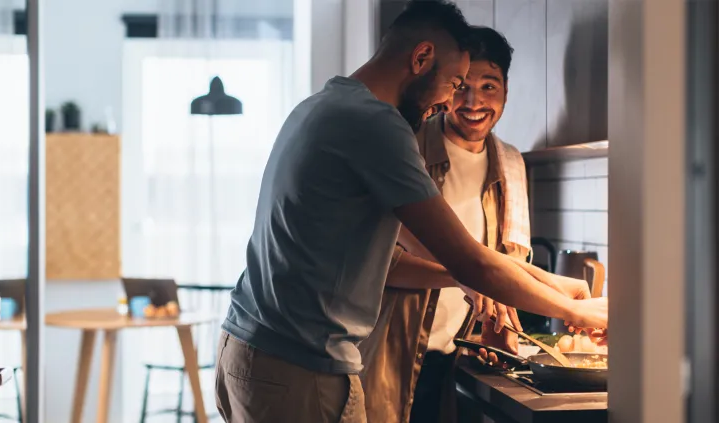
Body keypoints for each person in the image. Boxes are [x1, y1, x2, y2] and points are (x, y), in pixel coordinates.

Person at [214, 2, 608, 422]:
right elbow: (468, 260)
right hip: (301, 368)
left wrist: (553, 283)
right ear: (420, 58)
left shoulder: (323, 106)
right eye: (455, 82)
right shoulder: (376, 125)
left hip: (250, 352)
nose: (448, 101)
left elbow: (417, 259)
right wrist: (576, 312)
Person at [357, 26, 595, 423]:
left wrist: (505, 314)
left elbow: (504, 261)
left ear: (505, 90)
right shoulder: (407, 147)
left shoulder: (512, 163)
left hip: (462, 358)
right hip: (390, 351)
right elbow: (384, 263)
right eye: (462, 86)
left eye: (489, 86)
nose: (474, 101)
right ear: (446, 86)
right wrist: (468, 277)